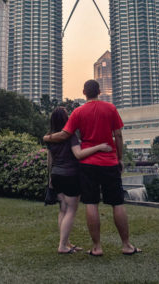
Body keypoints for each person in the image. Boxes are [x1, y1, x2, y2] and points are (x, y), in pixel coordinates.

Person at [44, 80, 141, 256]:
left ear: (84, 92)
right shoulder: (110, 108)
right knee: (117, 203)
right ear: (100, 91)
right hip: (109, 162)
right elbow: (118, 134)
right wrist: (119, 157)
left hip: (87, 164)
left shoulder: (78, 112)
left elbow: (65, 134)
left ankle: (97, 247)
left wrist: (47, 138)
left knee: (91, 203)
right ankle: (126, 245)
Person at [46, 106, 111, 254]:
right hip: (70, 176)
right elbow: (79, 154)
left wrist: (50, 177)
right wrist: (99, 147)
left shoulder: (50, 137)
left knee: (63, 209)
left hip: (56, 175)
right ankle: (62, 246)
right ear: (65, 119)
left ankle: (66, 242)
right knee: (71, 210)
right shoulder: (71, 136)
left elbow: (49, 160)